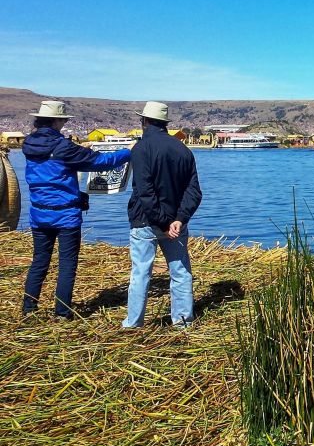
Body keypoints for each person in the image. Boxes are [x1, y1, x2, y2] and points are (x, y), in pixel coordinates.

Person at [22, 101, 131, 319]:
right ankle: (62, 312)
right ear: (56, 121)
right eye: (63, 120)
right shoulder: (63, 147)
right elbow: (101, 162)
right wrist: (127, 153)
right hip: (65, 215)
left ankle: (28, 309)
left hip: (38, 213)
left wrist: (78, 152)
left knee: (39, 261)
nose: (64, 123)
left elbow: (55, 168)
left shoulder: (29, 144)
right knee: (67, 264)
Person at [123, 102, 202, 328]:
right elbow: (194, 191)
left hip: (145, 221)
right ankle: (183, 321)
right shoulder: (183, 150)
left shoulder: (140, 149)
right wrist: (179, 219)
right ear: (165, 124)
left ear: (144, 122)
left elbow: (145, 192)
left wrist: (163, 221)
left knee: (141, 273)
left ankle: (134, 323)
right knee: (180, 272)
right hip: (176, 224)